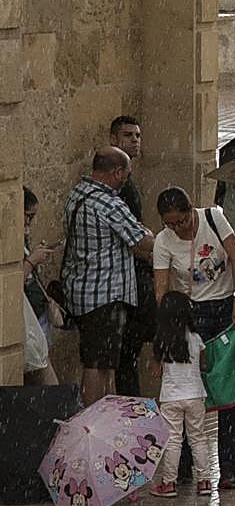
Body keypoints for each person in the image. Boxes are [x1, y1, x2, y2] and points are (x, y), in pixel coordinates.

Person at [153, 186, 235, 487]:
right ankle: (183, 469)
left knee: (226, 388)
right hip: (190, 313)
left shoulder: (213, 218)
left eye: (181, 221)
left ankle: (228, 468)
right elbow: (161, 288)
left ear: (191, 209)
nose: (178, 229)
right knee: (189, 393)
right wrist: (171, 323)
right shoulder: (163, 242)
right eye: (170, 224)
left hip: (223, 310)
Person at [61, 147, 155, 405]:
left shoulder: (77, 194)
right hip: (104, 294)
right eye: (126, 174)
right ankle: (94, 418)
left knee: (99, 360)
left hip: (81, 290)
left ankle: (102, 414)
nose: (126, 179)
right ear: (116, 173)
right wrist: (148, 233)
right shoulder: (109, 203)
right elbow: (144, 242)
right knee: (98, 364)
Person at [149, 291, 215, 498]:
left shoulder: (161, 340)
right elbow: (204, 365)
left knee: (173, 441)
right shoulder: (196, 339)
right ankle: (204, 481)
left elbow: (155, 372)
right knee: (198, 438)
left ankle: (169, 483)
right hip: (195, 395)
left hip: (170, 397)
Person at [110, 115, 155, 397]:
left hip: (135, 273)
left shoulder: (127, 180)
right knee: (127, 352)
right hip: (130, 275)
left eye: (137, 135)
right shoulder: (119, 185)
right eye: (128, 135)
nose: (135, 141)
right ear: (114, 139)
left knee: (130, 352)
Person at [23, 187, 62, 343]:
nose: (29, 222)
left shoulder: (22, 236)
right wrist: (32, 260)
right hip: (28, 314)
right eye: (29, 216)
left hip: (36, 311)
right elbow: (13, 281)